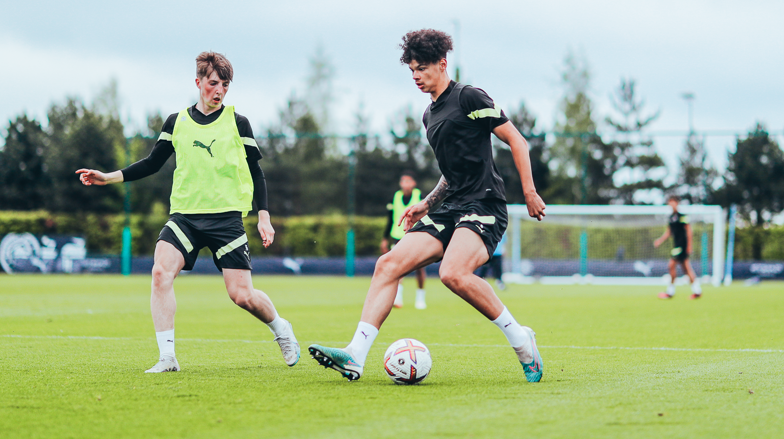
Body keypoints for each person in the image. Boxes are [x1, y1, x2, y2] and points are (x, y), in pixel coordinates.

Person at [308, 29, 547, 383]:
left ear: (442, 64)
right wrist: (426, 202)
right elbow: (450, 172)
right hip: (449, 208)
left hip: (484, 204)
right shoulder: (429, 116)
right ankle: (355, 355)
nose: (417, 76)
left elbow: (516, 139)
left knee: (452, 273)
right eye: (412, 71)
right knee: (388, 264)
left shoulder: (469, 97)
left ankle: (520, 339)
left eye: (422, 69)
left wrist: (529, 191)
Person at [75, 51, 300, 373]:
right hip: (185, 217)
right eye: (213, 83)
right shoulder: (176, 122)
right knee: (160, 273)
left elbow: (257, 172)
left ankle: (281, 329)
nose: (219, 90)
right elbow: (152, 163)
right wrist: (108, 177)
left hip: (226, 219)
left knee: (242, 295)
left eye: (224, 84)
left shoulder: (238, 123)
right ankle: (167, 358)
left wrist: (264, 216)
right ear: (198, 82)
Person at [381, 172, 427, 309]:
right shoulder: (395, 197)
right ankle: (398, 298)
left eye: (408, 181)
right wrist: (385, 238)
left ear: (414, 183)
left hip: (416, 235)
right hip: (397, 236)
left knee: (419, 267)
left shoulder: (420, 197)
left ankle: (420, 298)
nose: (405, 184)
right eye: (403, 181)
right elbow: (390, 219)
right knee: (398, 267)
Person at [654, 195, 702, 299]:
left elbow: (689, 230)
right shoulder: (671, 218)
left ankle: (670, 292)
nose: (671, 204)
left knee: (671, 265)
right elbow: (669, 232)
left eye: (673, 202)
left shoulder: (682, 216)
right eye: (670, 202)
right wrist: (660, 240)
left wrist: (690, 245)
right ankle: (697, 290)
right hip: (676, 246)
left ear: (677, 203)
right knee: (686, 268)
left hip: (682, 246)